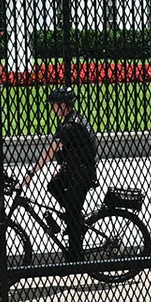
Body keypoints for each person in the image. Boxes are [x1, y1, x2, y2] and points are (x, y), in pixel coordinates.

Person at [21, 86, 99, 260]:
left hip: (81, 174)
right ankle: (74, 216)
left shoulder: (70, 126)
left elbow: (50, 152)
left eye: (55, 104)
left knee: (72, 212)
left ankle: (75, 253)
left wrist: (31, 173)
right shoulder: (75, 119)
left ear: (63, 105)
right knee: (54, 186)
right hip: (75, 169)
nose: (53, 108)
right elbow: (76, 149)